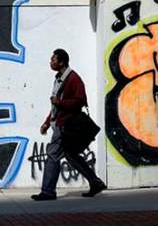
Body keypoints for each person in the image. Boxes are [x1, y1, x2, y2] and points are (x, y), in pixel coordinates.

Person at [31, 48, 106, 201]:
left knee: (52, 155)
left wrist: (61, 102)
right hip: (59, 123)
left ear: (62, 62)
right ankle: (95, 182)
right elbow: (55, 106)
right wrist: (47, 122)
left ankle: (48, 191)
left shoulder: (73, 79)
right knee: (71, 156)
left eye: (53, 59)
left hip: (66, 126)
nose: (51, 62)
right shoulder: (59, 78)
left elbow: (80, 101)